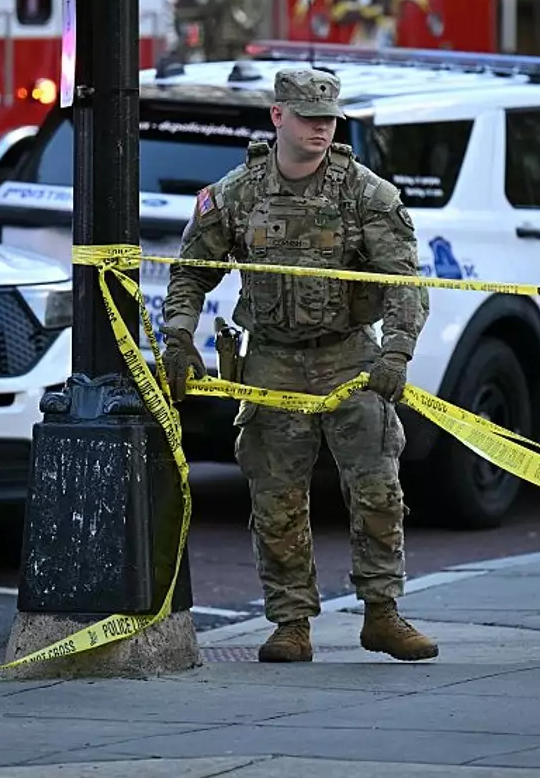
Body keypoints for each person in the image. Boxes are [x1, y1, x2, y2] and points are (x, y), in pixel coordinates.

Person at [159, 67, 437, 663]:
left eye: (329, 121)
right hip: (272, 360)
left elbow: (404, 284)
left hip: (350, 357)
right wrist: (178, 339)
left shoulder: (366, 194)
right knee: (275, 498)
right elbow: (189, 273)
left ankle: (383, 614)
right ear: (278, 117)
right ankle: (290, 623)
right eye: (309, 119)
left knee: (377, 488)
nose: (320, 130)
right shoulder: (235, 195)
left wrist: (396, 353)